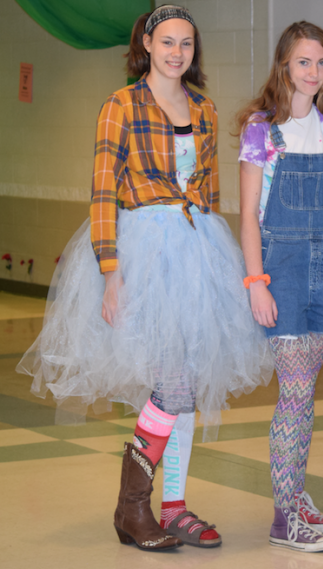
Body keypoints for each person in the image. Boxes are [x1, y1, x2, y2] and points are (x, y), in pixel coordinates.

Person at [17, 5, 273, 551]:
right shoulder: (120, 105)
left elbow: (205, 191)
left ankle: (173, 507)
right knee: (172, 387)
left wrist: (221, 270)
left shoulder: (203, 107)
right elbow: (103, 190)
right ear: (147, 46)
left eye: (186, 43)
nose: (177, 52)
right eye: (167, 42)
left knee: (185, 388)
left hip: (197, 251)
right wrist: (112, 272)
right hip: (141, 254)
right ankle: (132, 507)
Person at [235, 21, 323, 553]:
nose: (313, 72)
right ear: (284, 64)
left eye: (321, 63)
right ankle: (285, 516)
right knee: (294, 393)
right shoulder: (261, 129)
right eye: (303, 61)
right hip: (279, 268)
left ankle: (297, 494)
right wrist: (256, 282)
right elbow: (247, 218)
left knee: (306, 396)